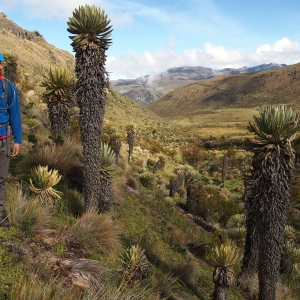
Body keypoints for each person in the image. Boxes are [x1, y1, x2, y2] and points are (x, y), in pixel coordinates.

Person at [0, 53, 22, 227]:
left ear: (2, 65)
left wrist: (18, 140)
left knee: (1, 178)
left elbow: (15, 115)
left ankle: (0, 214)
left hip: (3, 141)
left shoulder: (9, 88)